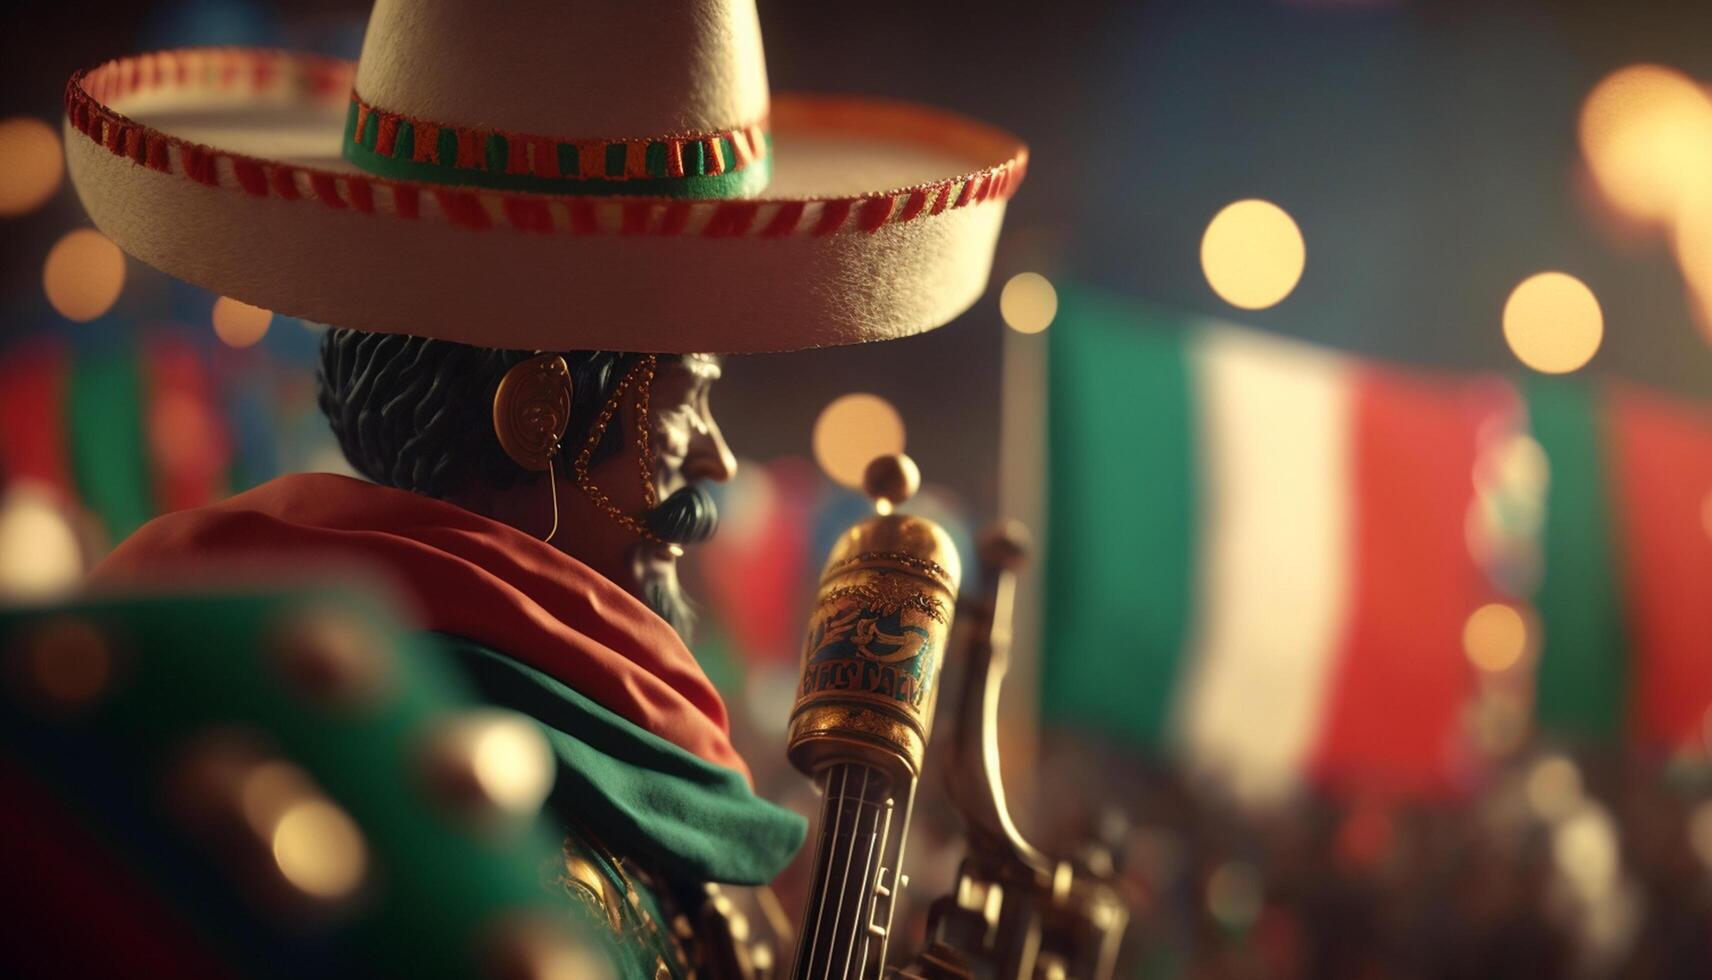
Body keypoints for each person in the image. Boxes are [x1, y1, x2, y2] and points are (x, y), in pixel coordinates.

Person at [55, 0, 1026, 975]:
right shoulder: (504, 775)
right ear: (539, 415)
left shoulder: (280, 673)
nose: (715, 461)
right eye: (685, 401)